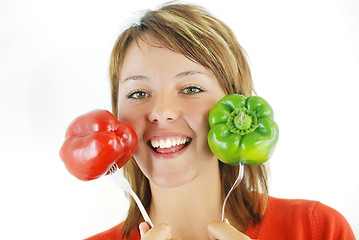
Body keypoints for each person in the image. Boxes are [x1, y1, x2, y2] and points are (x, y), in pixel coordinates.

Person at [85, 3, 355, 240]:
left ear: (235, 105)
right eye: (139, 93)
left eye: (191, 88)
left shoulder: (316, 229)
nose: (161, 111)